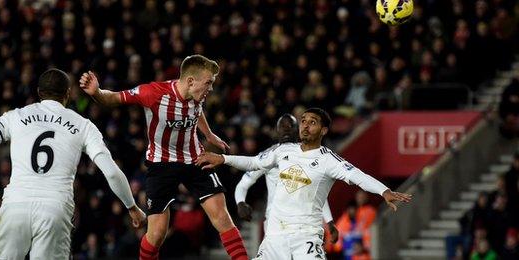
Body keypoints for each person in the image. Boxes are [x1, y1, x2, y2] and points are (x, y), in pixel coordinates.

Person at [0, 68, 146, 259]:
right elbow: (111, 172)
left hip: (15, 206)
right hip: (55, 209)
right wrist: (131, 207)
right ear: (68, 94)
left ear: (39, 93)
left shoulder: (15, 116)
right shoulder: (83, 125)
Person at [79, 54, 248, 260]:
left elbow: (197, 111)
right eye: (208, 83)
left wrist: (209, 134)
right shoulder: (153, 93)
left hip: (195, 159)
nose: (211, 89)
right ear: (190, 81)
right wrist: (96, 92)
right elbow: (113, 98)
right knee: (157, 233)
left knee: (222, 217)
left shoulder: (197, 96)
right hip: (162, 164)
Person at [197, 107, 411, 259]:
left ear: (324, 130)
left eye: (312, 122)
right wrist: (223, 159)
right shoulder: (282, 151)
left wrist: (383, 191)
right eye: (304, 121)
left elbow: (357, 176)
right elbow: (253, 163)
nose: (305, 126)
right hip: (275, 235)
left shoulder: (328, 159)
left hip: (305, 235)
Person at [234, 114, 339, 243]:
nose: (286, 129)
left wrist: (329, 221)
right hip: (275, 224)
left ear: (298, 130)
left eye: (290, 126)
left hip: (303, 223)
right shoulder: (268, 156)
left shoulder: (309, 157)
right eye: (282, 126)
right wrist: (240, 202)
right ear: (277, 131)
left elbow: (316, 193)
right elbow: (243, 184)